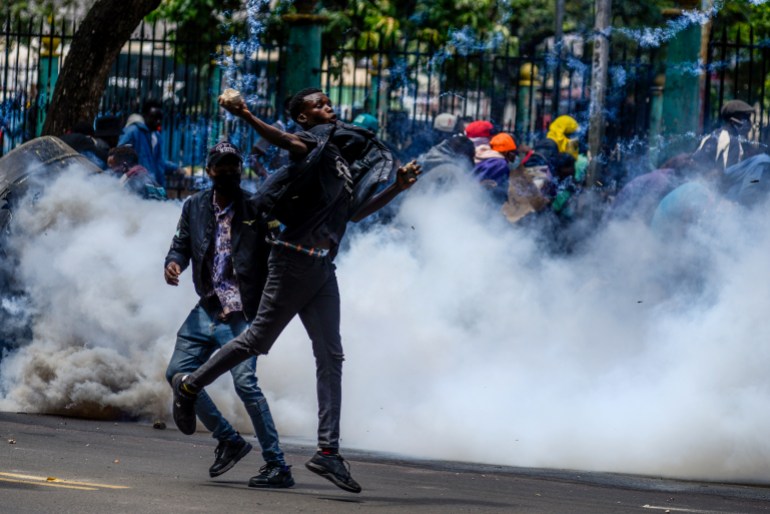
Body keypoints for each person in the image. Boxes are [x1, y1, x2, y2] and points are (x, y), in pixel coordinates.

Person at [170, 88, 420, 494]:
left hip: (322, 269)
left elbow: (354, 212)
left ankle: (327, 453)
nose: (328, 108)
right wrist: (247, 113)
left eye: (327, 102)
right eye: (318, 105)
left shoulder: (336, 160)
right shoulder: (313, 143)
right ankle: (190, 385)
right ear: (304, 119)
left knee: (331, 354)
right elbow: (288, 141)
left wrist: (397, 189)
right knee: (255, 340)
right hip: (292, 261)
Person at [164, 141, 294, 489]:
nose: (228, 172)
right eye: (221, 166)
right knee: (178, 374)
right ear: (210, 171)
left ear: (240, 169)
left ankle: (277, 465)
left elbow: (278, 253)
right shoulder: (194, 205)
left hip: (243, 313)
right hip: (207, 307)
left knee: (245, 384)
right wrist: (173, 263)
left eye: (233, 166)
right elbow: (180, 244)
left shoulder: (256, 205)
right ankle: (228, 440)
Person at [118, 99, 179, 187]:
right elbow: (119, 156)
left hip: (154, 186)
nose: (158, 121)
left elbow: (158, 163)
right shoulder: (133, 131)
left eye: (160, 118)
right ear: (145, 116)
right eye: (154, 117)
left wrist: (175, 168)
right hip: (136, 186)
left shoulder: (157, 136)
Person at [693, 99, 758, 173]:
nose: (749, 122)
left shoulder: (711, 135)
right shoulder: (731, 141)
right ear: (732, 121)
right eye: (745, 118)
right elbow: (726, 176)